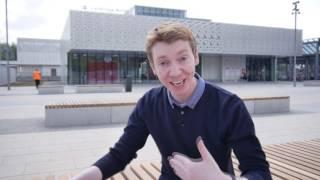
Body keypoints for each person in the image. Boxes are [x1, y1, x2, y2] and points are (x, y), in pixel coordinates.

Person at [72, 22, 272, 180]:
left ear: (196, 57)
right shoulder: (149, 104)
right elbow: (120, 155)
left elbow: (258, 170)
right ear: (153, 67)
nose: (175, 71)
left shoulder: (229, 106)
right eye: (163, 62)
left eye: (182, 58)